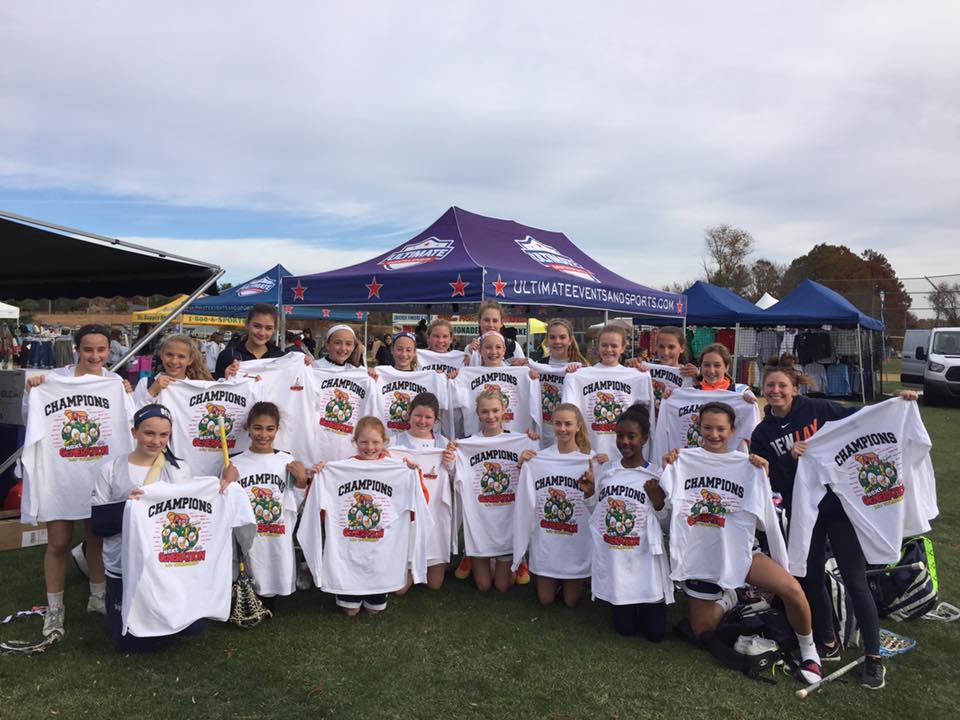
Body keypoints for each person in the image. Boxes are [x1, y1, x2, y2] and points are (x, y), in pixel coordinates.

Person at [750, 355, 919, 690]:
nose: (775, 391)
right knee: (810, 577)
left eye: (782, 385)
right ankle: (827, 640)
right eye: (770, 386)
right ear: (763, 389)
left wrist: (898, 403)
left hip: (839, 508)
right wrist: (789, 457)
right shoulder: (762, 433)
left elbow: (862, 419)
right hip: (803, 513)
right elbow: (769, 481)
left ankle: (874, 658)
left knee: (855, 579)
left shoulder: (818, 409)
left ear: (794, 388)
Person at [663, 402, 824, 685]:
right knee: (702, 632)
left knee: (792, 590)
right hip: (700, 556)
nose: (714, 434)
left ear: (732, 430)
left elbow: (764, 518)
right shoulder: (681, 461)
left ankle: (809, 651)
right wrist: (668, 465)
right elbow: (666, 504)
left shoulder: (748, 464)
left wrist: (763, 474)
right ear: (698, 427)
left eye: (721, 429)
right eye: (708, 428)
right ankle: (731, 597)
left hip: (741, 551)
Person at [23, 324, 134, 638]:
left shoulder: (115, 383)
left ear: (109, 350)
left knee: (96, 540)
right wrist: (33, 392)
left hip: (99, 475)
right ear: (76, 349)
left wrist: (128, 395)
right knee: (58, 543)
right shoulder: (52, 381)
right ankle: (55, 608)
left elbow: (131, 426)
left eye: (101, 350)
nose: (95, 356)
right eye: (88, 349)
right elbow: (30, 420)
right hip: (60, 477)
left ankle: (98, 597)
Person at [90, 404, 198, 651]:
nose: (156, 441)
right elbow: (99, 525)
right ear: (134, 432)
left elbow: (192, 511)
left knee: (191, 628)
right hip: (122, 561)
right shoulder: (111, 469)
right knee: (128, 642)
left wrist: (224, 487)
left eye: (163, 435)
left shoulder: (180, 470)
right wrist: (129, 507)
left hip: (163, 561)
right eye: (149, 433)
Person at [581, 403, 672, 641]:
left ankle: (650, 601)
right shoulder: (607, 473)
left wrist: (658, 502)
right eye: (620, 435)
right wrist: (590, 494)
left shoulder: (656, 475)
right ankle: (625, 599)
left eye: (631, 436)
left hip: (645, 560)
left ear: (644, 439)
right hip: (618, 560)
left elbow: (667, 527)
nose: (624, 442)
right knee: (625, 630)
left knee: (655, 634)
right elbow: (598, 516)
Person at [514, 404, 605, 607]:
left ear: (578, 426)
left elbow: (600, 504)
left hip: (575, 541)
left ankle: (568, 582)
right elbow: (525, 494)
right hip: (548, 540)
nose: (562, 429)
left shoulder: (591, 460)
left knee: (571, 603)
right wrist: (523, 464)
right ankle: (556, 581)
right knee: (545, 600)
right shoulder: (539, 458)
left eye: (568, 424)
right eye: (558, 424)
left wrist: (602, 467)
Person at [221, 402, 311, 603]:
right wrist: (226, 481)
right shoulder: (234, 462)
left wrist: (302, 482)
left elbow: (294, 503)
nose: (263, 434)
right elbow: (225, 506)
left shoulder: (286, 461)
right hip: (249, 538)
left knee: (270, 597)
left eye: (270, 429)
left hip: (276, 535)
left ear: (277, 429)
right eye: (257, 428)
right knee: (247, 592)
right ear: (248, 428)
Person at [392, 393, 457, 590]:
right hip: (408, 515)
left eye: (428, 417)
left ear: (435, 419)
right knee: (400, 590)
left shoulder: (444, 444)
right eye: (418, 415)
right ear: (409, 415)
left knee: (435, 585)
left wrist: (450, 463)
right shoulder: (395, 444)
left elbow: (456, 478)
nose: (422, 421)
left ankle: (435, 562)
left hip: (436, 512)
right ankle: (406, 564)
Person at [133, 333, 213, 408]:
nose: (174, 361)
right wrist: (152, 392)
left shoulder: (196, 388)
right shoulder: (146, 383)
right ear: (161, 355)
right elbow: (135, 414)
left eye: (181, 357)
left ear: (190, 360)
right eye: (169, 355)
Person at [216, 304, 294, 379]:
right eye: (257, 326)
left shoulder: (281, 358)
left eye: (268, 328)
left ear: (274, 329)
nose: (262, 333)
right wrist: (226, 379)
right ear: (247, 324)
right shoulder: (227, 355)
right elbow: (217, 386)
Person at [467, 300, 525, 365]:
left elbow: (524, 369)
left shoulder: (513, 347)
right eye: (486, 320)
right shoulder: (470, 349)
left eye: (495, 321)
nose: (491, 325)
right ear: (479, 321)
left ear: (501, 323)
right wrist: (471, 355)